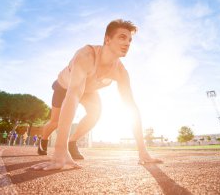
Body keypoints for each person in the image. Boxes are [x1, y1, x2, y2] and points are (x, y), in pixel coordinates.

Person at [32, 19, 159, 171]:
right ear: (107, 39)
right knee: (55, 121)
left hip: (88, 90)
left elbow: (131, 107)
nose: (127, 43)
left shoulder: (121, 72)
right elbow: (73, 95)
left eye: (130, 40)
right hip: (65, 87)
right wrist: (59, 150)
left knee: (95, 114)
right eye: (122, 37)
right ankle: (44, 140)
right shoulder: (86, 55)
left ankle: (72, 141)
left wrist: (143, 151)